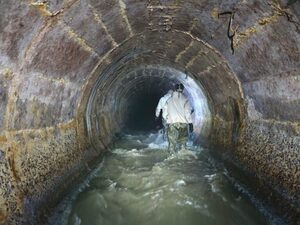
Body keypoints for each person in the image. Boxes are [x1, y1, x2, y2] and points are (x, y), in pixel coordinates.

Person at [163, 83, 193, 153]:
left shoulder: (169, 100)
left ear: (175, 89)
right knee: (183, 144)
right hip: (183, 124)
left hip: (172, 124)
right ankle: (183, 159)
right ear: (183, 90)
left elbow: (164, 113)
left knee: (172, 145)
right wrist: (190, 123)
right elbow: (187, 113)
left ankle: (171, 159)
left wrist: (168, 120)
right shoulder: (186, 100)